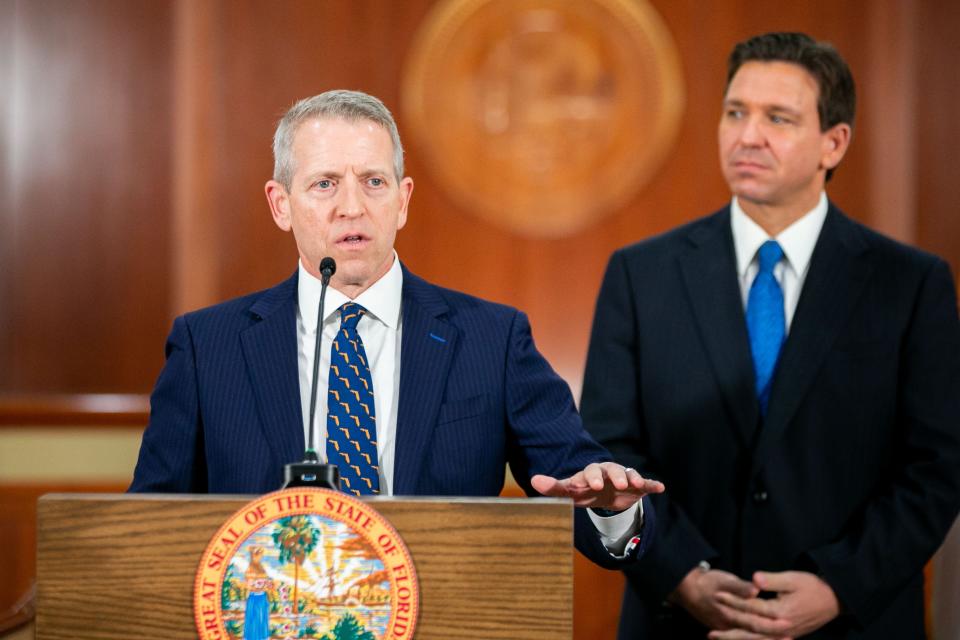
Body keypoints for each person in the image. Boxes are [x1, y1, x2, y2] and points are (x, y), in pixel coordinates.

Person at [129, 89, 664, 567]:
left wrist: (611, 509)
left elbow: (577, 483)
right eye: (324, 184)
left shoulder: (491, 339)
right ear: (281, 205)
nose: (352, 207)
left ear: (402, 200)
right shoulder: (208, 346)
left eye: (373, 182)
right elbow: (145, 531)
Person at [580, 31, 960, 639]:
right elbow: (605, 453)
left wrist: (838, 586)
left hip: (850, 622)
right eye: (735, 112)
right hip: (679, 621)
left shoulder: (910, 284)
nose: (746, 135)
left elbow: (936, 469)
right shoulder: (642, 274)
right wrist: (683, 574)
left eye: (777, 118)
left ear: (833, 143)